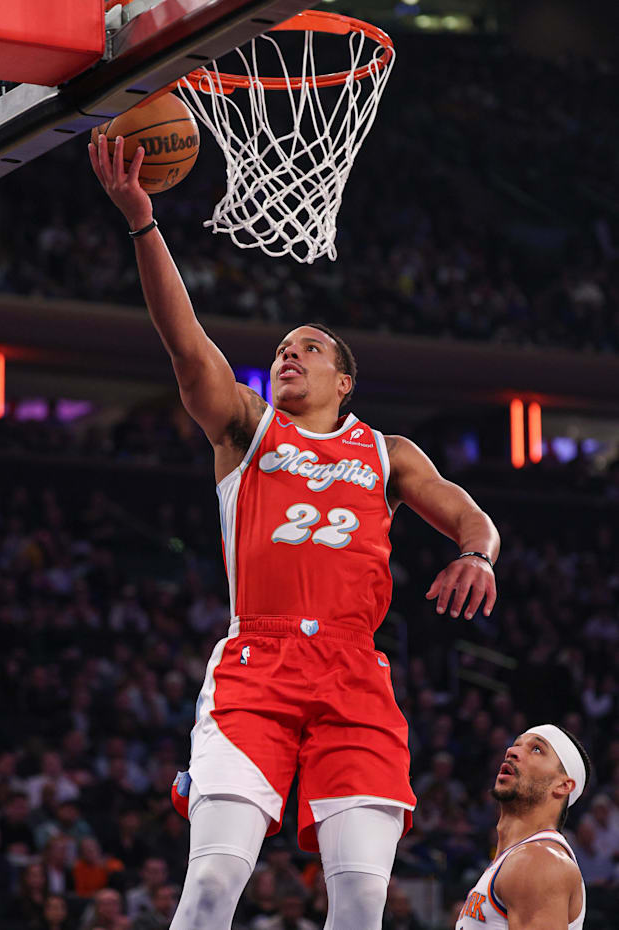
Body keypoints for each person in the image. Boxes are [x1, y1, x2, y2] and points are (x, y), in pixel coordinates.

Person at [89, 135, 500, 930]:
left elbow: (469, 516)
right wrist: (143, 222)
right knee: (210, 887)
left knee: (360, 903)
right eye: (282, 348)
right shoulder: (247, 428)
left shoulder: (388, 452)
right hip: (259, 663)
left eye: (308, 348)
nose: (289, 353)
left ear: (343, 380)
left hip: (353, 672)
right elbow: (185, 348)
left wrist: (477, 553)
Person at [456, 724, 590, 929]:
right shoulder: (517, 859)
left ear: (563, 785)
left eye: (537, 749)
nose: (512, 751)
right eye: (516, 744)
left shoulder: (539, 860)